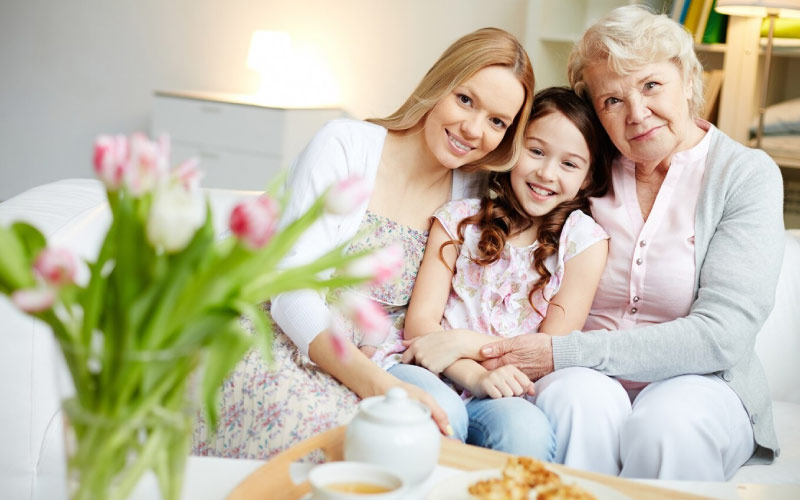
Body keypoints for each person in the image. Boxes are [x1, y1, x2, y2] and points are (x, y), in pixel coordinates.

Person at [192, 27, 535, 461]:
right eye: (465, 99)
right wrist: (378, 383)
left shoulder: (474, 191)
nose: (473, 129)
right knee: (330, 439)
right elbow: (291, 294)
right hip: (279, 329)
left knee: (409, 442)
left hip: (380, 355)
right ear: (438, 85)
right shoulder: (346, 146)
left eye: (497, 122)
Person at [474, 6, 784, 480]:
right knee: (574, 402)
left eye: (651, 85)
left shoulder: (745, 175)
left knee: (668, 426)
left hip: (701, 380)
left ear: (686, 78)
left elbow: (723, 335)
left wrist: (562, 353)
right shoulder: (584, 166)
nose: (637, 114)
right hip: (583, 375)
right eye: (612, 101)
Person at [375, 87, 615, 459]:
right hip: (428, 366)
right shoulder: (459, 218)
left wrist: (461, 342)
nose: (546, 173)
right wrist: (473, 373)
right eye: (536, 151)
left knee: (526, 432)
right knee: (442, 412)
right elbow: (420, 325)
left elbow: (549, 348)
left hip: (506, 385)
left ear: (587, 177)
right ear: (513, 149)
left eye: (569, 164)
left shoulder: (583, 242)